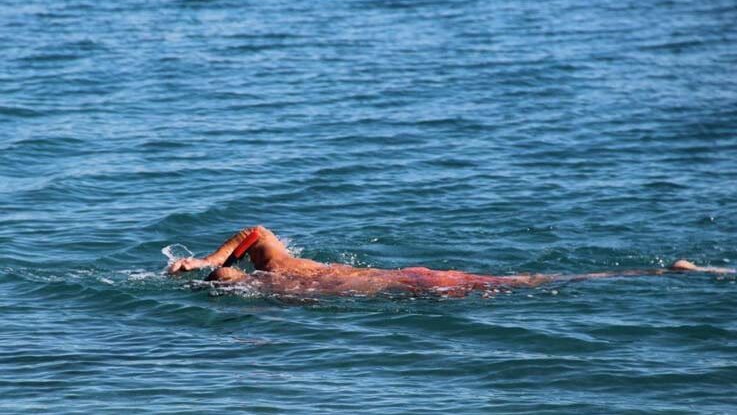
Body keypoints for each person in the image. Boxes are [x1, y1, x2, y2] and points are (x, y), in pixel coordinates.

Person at [167, 225, 734, 296]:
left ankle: (667, 273)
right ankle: (666, 271)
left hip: (411, 287)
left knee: (523, 286)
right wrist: (203, 258)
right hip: (408, 276)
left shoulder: (271, 292)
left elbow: (249, 236)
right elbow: (255, 229)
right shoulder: (279, 263)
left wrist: (203, 265)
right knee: (526, 281)